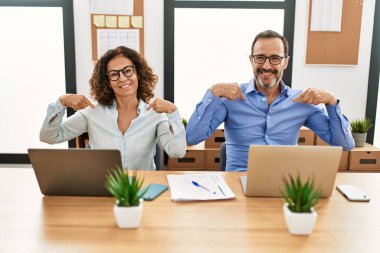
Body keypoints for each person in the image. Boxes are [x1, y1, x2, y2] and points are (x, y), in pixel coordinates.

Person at [186, 30, 355, 171]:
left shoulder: (301, 101)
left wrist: (332, 102)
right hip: (237, 186)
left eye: (275, 58)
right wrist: (212, 93)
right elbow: (192, 137)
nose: (266, 66)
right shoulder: (231, 99)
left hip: (283, 188)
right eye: (260, 57)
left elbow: (345, 144)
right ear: (251, 60)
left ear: (285, 62)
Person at [40, 46, 186, 170]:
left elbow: (177, 152)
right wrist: (61, 102)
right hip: (102, 190)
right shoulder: (93, 112)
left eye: (127, 71)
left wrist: (173, 112)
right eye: (114, 74)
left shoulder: (155, 115)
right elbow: (49, 137)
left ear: (138, 73)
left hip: (141, 190)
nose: (122, 78)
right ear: (108, 82)